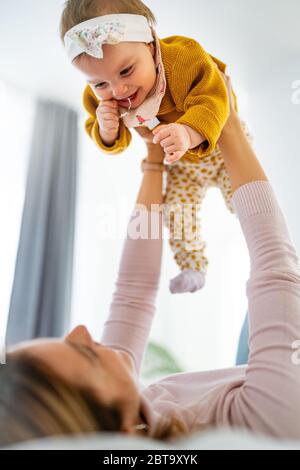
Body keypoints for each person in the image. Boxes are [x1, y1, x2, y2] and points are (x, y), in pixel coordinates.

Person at [1, 74, 300, 448]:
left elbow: (133, 291)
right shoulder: (270, 422)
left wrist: (153, 161)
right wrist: (227, 126)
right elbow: (276, 266)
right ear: (125, 429)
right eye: (85, 353)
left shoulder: (135, 400)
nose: (80, 331)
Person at [60, 0, 253, 294]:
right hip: (181, 166)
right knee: (177, 213)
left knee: (242, 196)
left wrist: (188, 132)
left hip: (222, 148)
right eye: (100, 84)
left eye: (125, 71)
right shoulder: (99, 97)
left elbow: (213, 98)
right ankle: (192, 266)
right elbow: (111, 141)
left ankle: (262, 240)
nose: (118, 91)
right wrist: (107, 129)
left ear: (150, 44)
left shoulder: (184, 59)